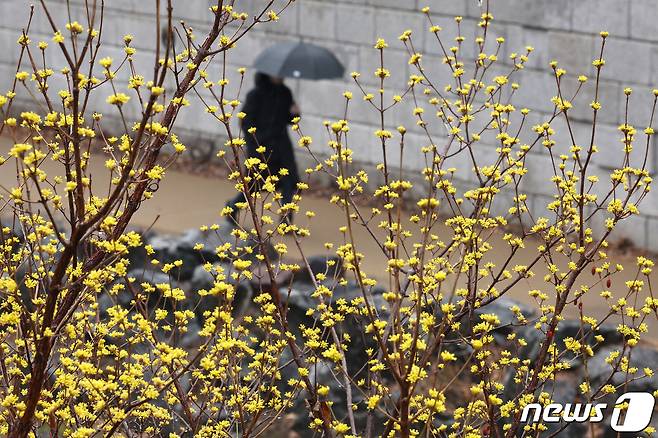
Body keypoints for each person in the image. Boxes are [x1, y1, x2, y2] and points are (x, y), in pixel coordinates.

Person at [225, 72, 300, 225]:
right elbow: (246, 123)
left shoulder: (285, 93)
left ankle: (286, 222)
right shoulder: (255, 95)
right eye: (276, 74)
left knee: (289, 182)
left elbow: (288, 120)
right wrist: (258, 140)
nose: (280, 77)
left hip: (282, 147)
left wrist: (295, 114)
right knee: (255, 184)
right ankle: (232, 207)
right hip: (260, 148)